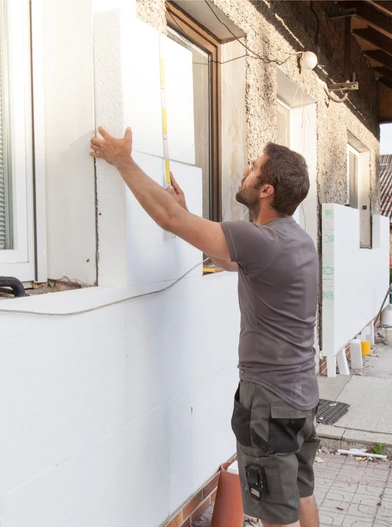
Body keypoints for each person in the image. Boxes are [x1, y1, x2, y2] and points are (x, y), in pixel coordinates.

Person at [90, 127, 320, 527]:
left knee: (275, 517)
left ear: (266, 190)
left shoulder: (261, 240)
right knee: (300, 495)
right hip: (301, 395)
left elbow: (169, 218)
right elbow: (229, 257)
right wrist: (186, 215)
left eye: (253, 168)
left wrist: (122, 160)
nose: (244, 173)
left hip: (269, 399)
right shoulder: (297, 241)